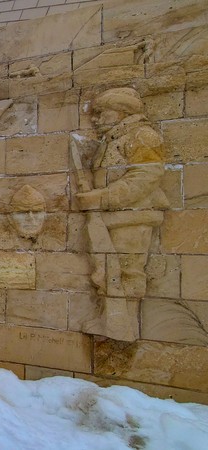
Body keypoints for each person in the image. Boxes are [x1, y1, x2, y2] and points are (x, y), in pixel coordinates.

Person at [74, 87, 169, 341]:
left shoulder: (142, 136)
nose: (95, 119)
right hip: (111, 218)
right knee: (106, 271)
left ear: (120, 111)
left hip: (132, 218)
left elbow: (144, 178)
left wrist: (101, 197)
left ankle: (125, 327)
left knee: (127, 273)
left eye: (101, 113)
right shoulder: (114, 139)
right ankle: (111, 320)